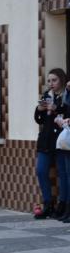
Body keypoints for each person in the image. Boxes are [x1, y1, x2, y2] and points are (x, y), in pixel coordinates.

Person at [34, 68, 67, 219]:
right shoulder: (47, 95)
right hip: (45, 141)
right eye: (49, 80)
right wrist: (39, 109)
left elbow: (66, 113)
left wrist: (56, 109)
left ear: (61, 80)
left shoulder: (65, 96)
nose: (51, 83)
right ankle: (47, 203)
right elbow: (39, 120)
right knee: (41, 170)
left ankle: (63, 205)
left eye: (54, 80)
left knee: (63, 173)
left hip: (62, 141)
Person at [54, 79, 70, 222]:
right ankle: (65, 207)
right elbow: (64, 109)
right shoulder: (65, 94)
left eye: (54, 80)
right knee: (65, 174)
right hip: (65, 141)